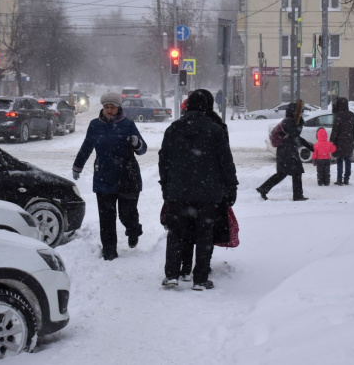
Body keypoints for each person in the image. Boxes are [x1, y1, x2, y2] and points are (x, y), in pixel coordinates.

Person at [159, 89, 238, 290]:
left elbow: (164, 159)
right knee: (205, 234)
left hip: (178, 191)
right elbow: (226, 161)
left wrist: (166, 185)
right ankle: (200, 279)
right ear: (206, 106)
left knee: (176, 233)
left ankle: (172, 275)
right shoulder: (215, 129)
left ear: (188, 106)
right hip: (208, 193)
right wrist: (231, 186)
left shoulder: (173, 129)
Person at [72, 92, 148, 261]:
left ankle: (133, 230)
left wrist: (137, 143)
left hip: (126, 177)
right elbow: (86, 147)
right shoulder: (95, 125)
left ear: (118, 108)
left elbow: (142, 150)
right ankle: (109, 250)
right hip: (103, 177)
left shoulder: (128, 124)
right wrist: (77, 166)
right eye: (106, 107)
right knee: (106, 217)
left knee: (127, 214)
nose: (109, 110)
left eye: (112, 107)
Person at [256, 100, 314, 201]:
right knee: (296, 172)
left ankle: (263, 189)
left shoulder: (290, 121)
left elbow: (296, 137)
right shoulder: (289, 122)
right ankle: (297, 196)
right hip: (287, 151)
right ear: (295, 112)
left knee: (282, 174)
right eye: (301, 112)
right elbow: (295, 135)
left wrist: (310, 147)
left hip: (286, 151)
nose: (302, 114)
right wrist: (309, 146)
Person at [329, 96, 354, 185]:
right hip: (349, 141)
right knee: (348, 159)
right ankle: (347, 179)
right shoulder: (352, 115)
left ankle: (339, 179)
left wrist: (331, 140)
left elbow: (335, 130)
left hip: (339, 141)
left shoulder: (338, 115)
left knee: (340, 159)